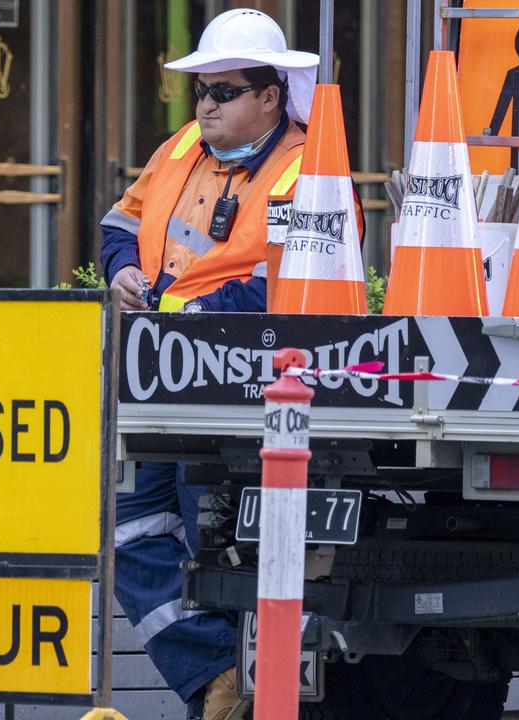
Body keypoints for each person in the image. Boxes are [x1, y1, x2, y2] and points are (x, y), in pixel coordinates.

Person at [100, 9, 319, 720]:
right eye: (202, 90)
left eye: (225, 92)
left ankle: (242, 694)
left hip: (238, 379)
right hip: (161, 370)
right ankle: (218, 680)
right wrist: (122, 272)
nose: (207, 105)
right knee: (129, 526)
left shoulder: (302, 165)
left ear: (270, 97)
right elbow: (119, 224)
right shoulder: (182, 145)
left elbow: (284, 279)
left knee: (215, 545)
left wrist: (193, 311)